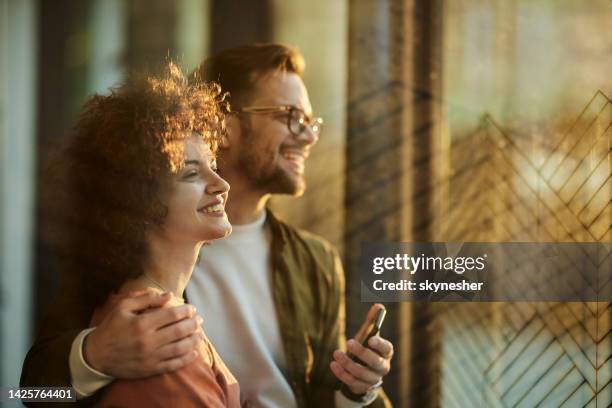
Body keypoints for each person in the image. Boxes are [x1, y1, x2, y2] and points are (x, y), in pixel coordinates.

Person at [22, 44, 394, 408]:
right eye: (289, 116)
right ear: (225, 125)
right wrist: (94, 356)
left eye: (310, 121)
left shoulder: (315, 261)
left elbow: (322, 396)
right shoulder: (133, 256)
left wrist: (357, 393)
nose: (310, 135)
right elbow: (30, 393)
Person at [23, 63, 240, 407]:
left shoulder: (168, 289)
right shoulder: (153, 329)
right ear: (140, 201)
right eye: (190, 173)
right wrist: (91, 358)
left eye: (213, 164)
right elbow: (25, 393)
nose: (223, 185)